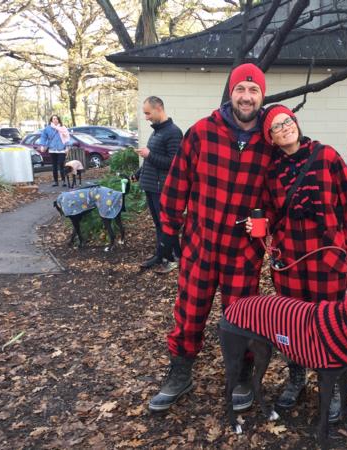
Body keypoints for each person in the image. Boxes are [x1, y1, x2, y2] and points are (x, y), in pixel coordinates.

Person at [148, 63, 273, 413]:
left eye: (253, 91)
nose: (246, 97)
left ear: (262, 96)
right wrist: (169, 232)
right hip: (201, 243)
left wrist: (265, 225)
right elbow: (177, 183)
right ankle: (180, 372)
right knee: (190, 311)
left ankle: (242, 374)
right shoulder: (202, 132)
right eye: (240, 90)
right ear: (230, 92)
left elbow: (278, 195)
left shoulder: (269, 140)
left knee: (242, 317)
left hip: (243, 251)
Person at [250, 104, 347, 422]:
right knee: (292, 323)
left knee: (332, 323)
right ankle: (296, 377)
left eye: (287, 121)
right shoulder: (271, 171)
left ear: (295, 123)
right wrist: (259, 225)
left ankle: (335, 385)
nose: (284, 127)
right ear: (270, 138)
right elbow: (269, 212)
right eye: (276, 126)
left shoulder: (326, 157)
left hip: (327, 258)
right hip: (290, 261)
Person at [135, 96, 183, 273]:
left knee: (166, 224)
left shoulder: (173, 132)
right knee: (158, 224)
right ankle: (161, 255)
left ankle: (172, 258)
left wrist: (148, 155)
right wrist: (137, 174)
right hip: (151, 186)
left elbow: (174, 163)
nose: (146, 117)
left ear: (158, 109)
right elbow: (152, 160)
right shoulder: (158, 131)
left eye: (148, 113)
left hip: (162, 188)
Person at [39, 115, 70, 187]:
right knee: (54, 166)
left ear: (59, 120)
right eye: (54, 119)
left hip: (61, 149)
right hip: (52, 150)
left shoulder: (63, 128)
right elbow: (43, 137)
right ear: (51, 120)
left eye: (56, 119)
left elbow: (67, 138)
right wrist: (42, 145)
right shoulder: (48, 129)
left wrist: (67, 147)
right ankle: (56, 182)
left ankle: (63, 181)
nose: (55, 120)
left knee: (61, 164)